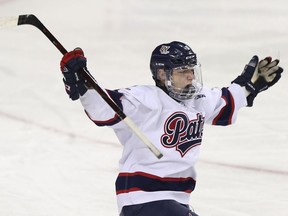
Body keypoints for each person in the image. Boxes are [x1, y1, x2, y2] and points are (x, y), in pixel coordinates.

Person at [60, 41, 283, 216]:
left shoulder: (198, 99)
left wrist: (249, 85)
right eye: (182, 71)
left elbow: (225, 102)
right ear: (162, 74)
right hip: (143, 200)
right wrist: (82, 84)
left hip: (176, 201)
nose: (190, 76)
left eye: (192, 70)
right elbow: (103, 108)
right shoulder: (144, 99)